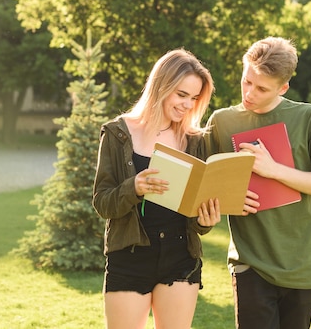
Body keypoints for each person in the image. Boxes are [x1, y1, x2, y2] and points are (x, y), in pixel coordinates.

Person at [204, 37, 311, 329]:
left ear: (283, 88)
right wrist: (228, 198)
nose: (249, 93)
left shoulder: (309, 117)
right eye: (246, 82)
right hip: (250, 263)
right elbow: (203, 183)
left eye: (261, 88)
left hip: (300, 265)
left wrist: (274, 169)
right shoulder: (222, 122)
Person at [92, 48, 234, 329]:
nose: (187, 105)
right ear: (161, 86)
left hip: (181, 257)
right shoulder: (117, 134)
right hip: (129, 256)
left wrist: (205, 220)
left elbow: (196, 215)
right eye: (182, 95)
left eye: (194, 99)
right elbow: (102, 203)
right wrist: (134, 186)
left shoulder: (195, 141)